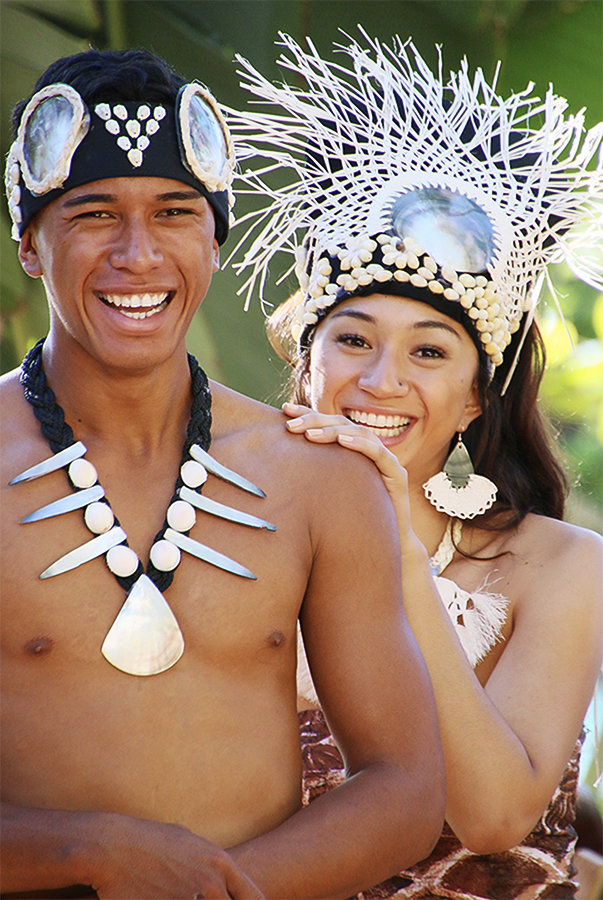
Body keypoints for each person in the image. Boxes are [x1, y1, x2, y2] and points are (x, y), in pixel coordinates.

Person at [0, 48, 447, 900]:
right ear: (30, 244)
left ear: (213, 240)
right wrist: (86, 852)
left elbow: (404, 788)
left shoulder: (315, 475)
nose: (138, 253)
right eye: (93, 213)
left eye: (174, 212)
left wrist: (214, 890)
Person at [226, 31, 603, 899]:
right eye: (352, 340)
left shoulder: (563, 566)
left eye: (429, 353)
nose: (380, 380)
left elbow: (494, 816)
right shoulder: (216, 535)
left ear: (476, 398)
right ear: (307, 363)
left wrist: (396, 550)